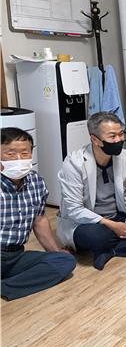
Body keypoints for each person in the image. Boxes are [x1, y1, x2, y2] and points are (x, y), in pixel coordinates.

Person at [57, 112, 126, 270]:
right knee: (97, 236)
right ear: (95, 140)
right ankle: (114, 243)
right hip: (87, 223)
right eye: (112, 136)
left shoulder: (124, 156)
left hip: (116, 216)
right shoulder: (74, 163)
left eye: (121, 134)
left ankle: (110, 251)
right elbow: (74, 209)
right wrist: (112, 225)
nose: (119, 140)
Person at [1, 127, 76, 300]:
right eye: (11, 154)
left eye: (24, 153)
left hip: (16, 255)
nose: (19, 159)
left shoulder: (35, 181)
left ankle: (5, 287)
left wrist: (55, 251)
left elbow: (39, 220)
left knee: (65, 261)